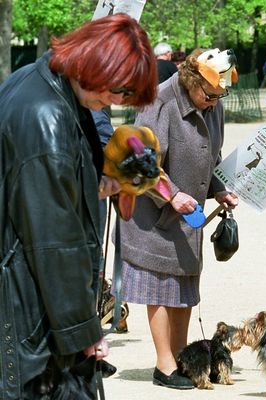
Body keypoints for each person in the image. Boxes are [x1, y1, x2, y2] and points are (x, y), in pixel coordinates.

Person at [0, 13, 157, 399]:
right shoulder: (45, 116)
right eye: (117, 90)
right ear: (92, 64)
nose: (116, 102)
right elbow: (54, 240)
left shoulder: (42, 80)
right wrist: (84, 331)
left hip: (34, 289)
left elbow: (49, 188)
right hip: (30, 303)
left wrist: (97, 183)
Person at [118, 48, 239, 390]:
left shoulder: (213, 105)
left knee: (185, 286)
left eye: (220, 95)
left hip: (189, 214)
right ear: (192, 82)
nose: (214, 102)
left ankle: (182, 356)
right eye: (210, 95)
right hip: (151, 212)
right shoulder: (159, 102)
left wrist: (219, 189)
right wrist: (171, 194)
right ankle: (164, 364)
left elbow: (210, 158)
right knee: (159, 284)